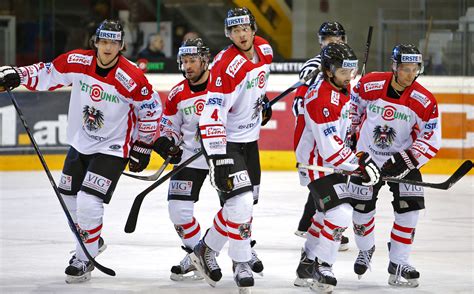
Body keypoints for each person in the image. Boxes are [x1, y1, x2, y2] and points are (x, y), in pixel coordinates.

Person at [0, 19, 178, 284]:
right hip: (80, 142)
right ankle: (93, 239)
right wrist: (19, 75)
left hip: (113, 147)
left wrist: (142, 145)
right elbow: (48, 72)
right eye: (103, 42)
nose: (108, 48)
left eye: (114, 43)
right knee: (68, 197)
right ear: (95, 42)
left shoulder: (131, 77)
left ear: (122, 45)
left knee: (88, 200)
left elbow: (150, 110)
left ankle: (84, 257)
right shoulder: (77, 62)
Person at [189, 7, 273, 292]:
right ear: (229, 33)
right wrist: (217, 155)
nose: (241, 34)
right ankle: (240, 262)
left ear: (253, 29)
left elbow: (257, 87)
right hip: (226, 142)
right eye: (235, 30)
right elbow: (212, 113)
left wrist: (263, 103)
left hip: (250, 141)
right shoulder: (226, 65)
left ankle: (205, 249)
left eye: (245, 28)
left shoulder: (265, 50)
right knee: (240, 203)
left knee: (244, 206)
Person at [349, 44, 441, 287]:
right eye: (405, 69)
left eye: (415, 69)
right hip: (366, 160)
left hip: (402, 161)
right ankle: (365, 249)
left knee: (410, 212)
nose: (410, 75)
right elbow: (350, 110)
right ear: (394, 66)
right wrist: (350, 140)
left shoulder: (424, 100)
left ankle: (398, 261)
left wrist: (405, 161)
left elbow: (431, 139)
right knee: (360, 214)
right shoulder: (370, 83)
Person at [293, 42, 381, 293]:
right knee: (341, 212)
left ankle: (307, 264)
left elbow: (342, 130)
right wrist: (358, 163)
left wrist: (352, 136)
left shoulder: (339, 86)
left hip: (331, 163)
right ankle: (324, 266)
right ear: (329, 71)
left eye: (351, 71)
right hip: (317, 164)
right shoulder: (321, 97)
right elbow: (329, 147)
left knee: (324, 215)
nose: (349, 77)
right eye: (344, 72)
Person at [293, 21, 350, 251]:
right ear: (320, 41)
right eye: (328, 38)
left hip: (335, 135)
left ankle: (311, 226)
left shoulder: (346, 64)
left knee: (334, 181)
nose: (333, 42)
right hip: (319, 135)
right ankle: (316, 227)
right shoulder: (314, 66)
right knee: (327, 183)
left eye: (337, 38)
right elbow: (304, 102)